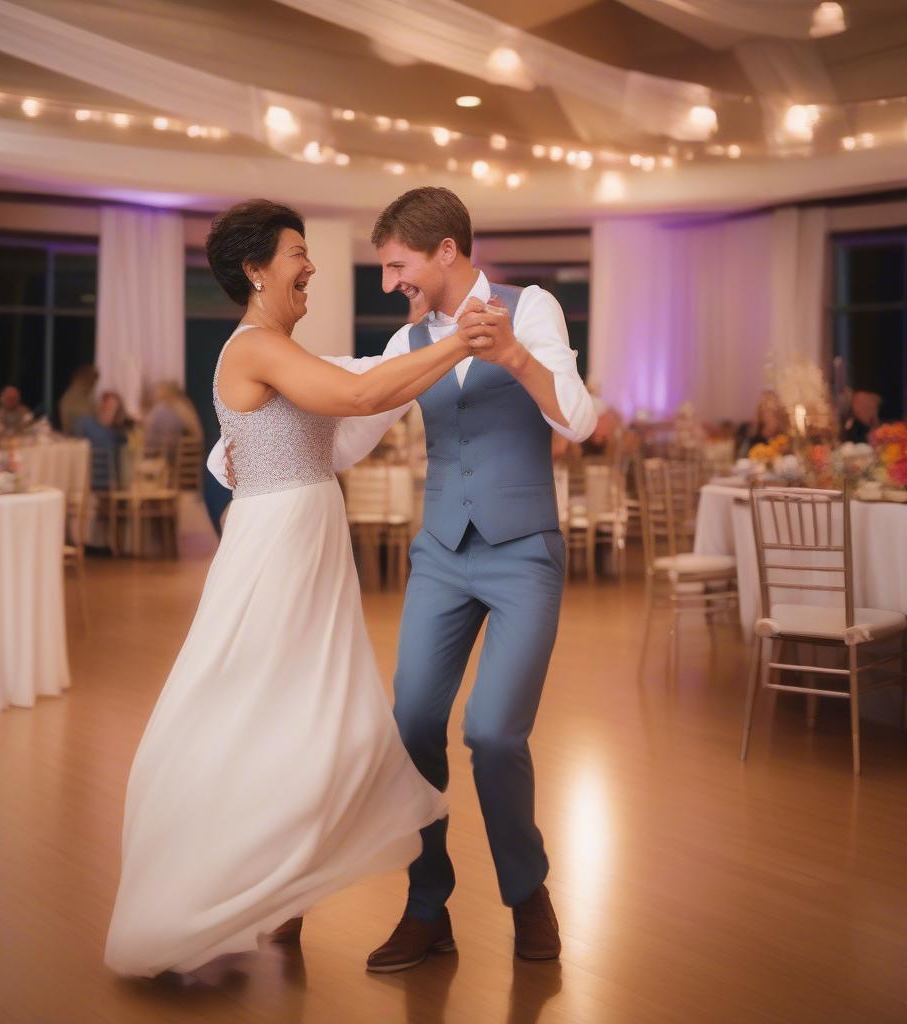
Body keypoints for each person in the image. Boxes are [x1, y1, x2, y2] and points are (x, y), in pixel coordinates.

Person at [104, 199, 496, 980]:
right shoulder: (253, 347)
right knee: (260, 712)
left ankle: (280, 897)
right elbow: (355, 396)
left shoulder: (281, 347)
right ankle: (214, 893)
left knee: (310, 718)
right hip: (277, 549)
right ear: (256, 269)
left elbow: (359, 397)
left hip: (310, 543)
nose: (309, 264)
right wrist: (460, 339)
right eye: (296, 252)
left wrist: (432, 347)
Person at [213, 186, 596, 971]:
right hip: (443, 557)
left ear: (445, 252)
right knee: (410, 727)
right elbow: (351, 431)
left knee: (492, 734)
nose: (390, 282)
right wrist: (243, 448)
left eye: (397, 266)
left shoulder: (532, 309)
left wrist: (514, 357)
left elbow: (580, 419)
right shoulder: (410, 340)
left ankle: (528, 896)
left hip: (524, 553)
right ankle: (429, 908)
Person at [143, 380, 204, 453]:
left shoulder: (164, 410)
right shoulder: (187, 407)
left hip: (168, 460)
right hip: (192, 460)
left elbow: (149, 441)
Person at [58, 364, 99, 436]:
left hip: (79, 430)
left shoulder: (85, 393)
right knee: (89, 422)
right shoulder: (74, 394)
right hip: (76, 432)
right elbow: (89, 413)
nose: (95, 383)